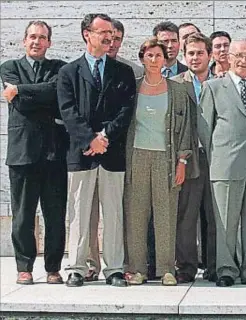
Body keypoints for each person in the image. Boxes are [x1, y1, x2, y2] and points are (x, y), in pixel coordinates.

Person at [57, 13, 135, 287]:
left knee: (113, 213)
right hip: (81, 155)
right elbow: (68, 111)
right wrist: (90, 139)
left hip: (112, 154)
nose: (108, 38)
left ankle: (113, 268)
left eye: (112, 34)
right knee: (79, 214)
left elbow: (126, 111)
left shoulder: (123, 72)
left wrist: (105, 137)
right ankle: (77, 268)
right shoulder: (68, 72)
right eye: (103, 32)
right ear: (86, 34)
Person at [199, 39, 246, 287]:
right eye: (238, 55)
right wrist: (216, 161)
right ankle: (226, 270)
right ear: (228, 57)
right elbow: (205, 130)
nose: (243, 60)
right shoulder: (213, 87)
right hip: (226, 164)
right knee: (226, 223)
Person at [1, 20, 68, 285]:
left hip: (54, 152)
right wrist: (32, 97)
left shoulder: (59, 68)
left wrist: (22, 92)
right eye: (32, 37)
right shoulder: (9, 68)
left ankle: (53, 268)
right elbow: (22, 103)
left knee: (54, 215)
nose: (36, 42)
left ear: (49, 43)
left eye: (42, 37)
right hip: (22, 153)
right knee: (23, 215)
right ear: (24, 41)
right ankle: (24, 267)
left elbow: (56, 94)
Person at [123, 38, 193, 286]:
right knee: (136, 214)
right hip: (137, 156)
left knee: (166, 213)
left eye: (158, 56)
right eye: (149, 55)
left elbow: (186, 127)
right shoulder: (133, 88)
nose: (154, 60)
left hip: (166, 156)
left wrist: (182, 161)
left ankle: (166, 269)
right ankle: (137, 269)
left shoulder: (177, 90)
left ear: (166, 59)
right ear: (142, 58)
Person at [170, 32, 217, 283]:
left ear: (210, 56)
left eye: (200, 53)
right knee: (186, 216)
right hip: (187, 158)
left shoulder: (221, 82)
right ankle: (186, 266)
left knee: (214, 215)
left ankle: (214, 265)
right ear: (183, 56)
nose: (195, 57)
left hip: (215, 158)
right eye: (191, 53)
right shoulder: (176, 84)